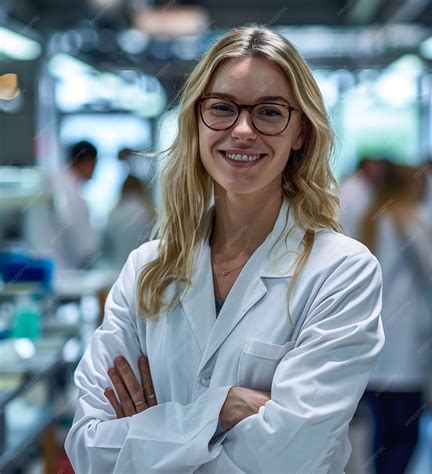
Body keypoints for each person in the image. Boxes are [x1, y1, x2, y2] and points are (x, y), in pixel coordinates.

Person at [65, 25, 384, 473]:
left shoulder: (342, 272)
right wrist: (221, 409)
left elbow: (290, 458)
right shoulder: (145, 271)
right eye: (222, 108)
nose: (243, 130)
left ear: (300, 133)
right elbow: (88, 446)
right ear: (196, 123)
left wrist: (151, 437)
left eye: (270, 113)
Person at [359, 163, 432, 474]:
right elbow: (430, 277)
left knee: (382, 427)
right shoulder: (412, 219)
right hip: (404, 343)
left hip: (375, 340)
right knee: (407, 430)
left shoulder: (370, 218)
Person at [24, 140, 100, 269]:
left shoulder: (56, 181)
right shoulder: (67, 189)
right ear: (89, 162)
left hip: (42, 262)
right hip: (61, 267)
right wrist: (89, 251)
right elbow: (73, 227)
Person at [105, 175, 153, 269]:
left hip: (117, 269)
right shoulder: (149, 213)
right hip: (143, 269)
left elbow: (107, 247)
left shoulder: (114, 213)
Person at [338, 157, 388, 239]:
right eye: (375, 166)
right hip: (351, 237)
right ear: (364, 167)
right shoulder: (354, 189)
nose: (379, 170)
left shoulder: (360, 185)